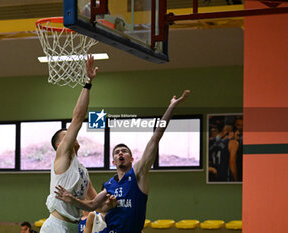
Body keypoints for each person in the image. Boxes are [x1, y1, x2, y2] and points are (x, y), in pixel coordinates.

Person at [55, 90, 190, 233]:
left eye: (124, 151)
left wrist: (171, 107)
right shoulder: (109, 185)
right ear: (113, 162)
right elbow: (92, 204)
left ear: (131, 159)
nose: (120, 153)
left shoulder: (138, 174)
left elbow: (155, 137)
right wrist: (72, 200)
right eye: (116, 152)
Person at [40, 55, 116, 233]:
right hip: (56, 226)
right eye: (66, 135)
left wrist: (110, 201)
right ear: (60, 146)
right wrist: (88, 83)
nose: (72, 136)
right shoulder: (62, 158)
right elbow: (78, 118)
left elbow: (93, 206)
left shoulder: (82, 171)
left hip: (73, 227)